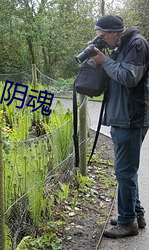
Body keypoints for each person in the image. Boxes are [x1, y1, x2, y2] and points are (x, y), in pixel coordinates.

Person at [91, 15, 149, 238]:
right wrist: (100, 60)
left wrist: (104, 61)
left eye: (103, 37)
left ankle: (127, 223)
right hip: (121, 117)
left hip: (131, 118)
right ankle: (136, 214)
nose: (102, 41)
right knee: (126, 171)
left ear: (115, 32)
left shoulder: (137, 44)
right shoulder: (120, 46)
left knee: (124, 171)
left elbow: (128, 77)